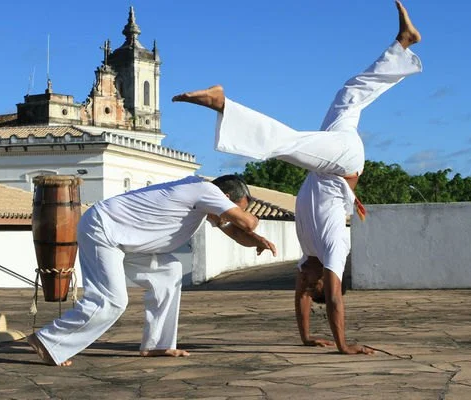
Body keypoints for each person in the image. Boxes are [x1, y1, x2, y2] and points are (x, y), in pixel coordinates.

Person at [172, 0, 421, 355]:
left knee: (348, 94)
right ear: (323, 282)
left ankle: (403, 44)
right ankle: (224, 105)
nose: (301, 282)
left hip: (328, 159)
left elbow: (304, 299)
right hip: (342, 162)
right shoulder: (335, 248)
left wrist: (306, 337)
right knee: (288, 142)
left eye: (302, 283)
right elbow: (334, 300)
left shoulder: (308, 255)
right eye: (309, 284)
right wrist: (342, 345)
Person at [27, 175, 277, 366]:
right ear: (223, 197)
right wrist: (249, 222)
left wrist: (256, 240)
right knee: (111, 300)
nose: (225, 217)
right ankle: (48, 341)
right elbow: (246, 222)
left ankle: (157, 344)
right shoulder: (205, 190)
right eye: (233, 208)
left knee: (169, 270)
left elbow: (236, 232)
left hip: (125, 243)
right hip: (102, 230)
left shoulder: (203, 203)